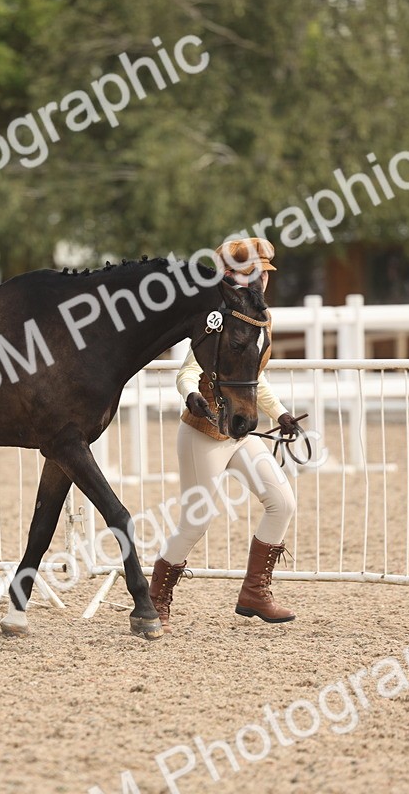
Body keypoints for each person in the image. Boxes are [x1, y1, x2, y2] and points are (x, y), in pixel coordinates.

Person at [147, 238, 301, 633]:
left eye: (264, 273)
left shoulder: (260, 319)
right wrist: (191, 394)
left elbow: (253, 380)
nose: (262, 279)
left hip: (240, 431)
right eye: (255, 273)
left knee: (282, 502)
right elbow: (187, 371)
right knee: (197, 520)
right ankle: (155, 600)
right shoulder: (216, 317)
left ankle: (255, 592)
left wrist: (281, 413)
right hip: (203, 431)